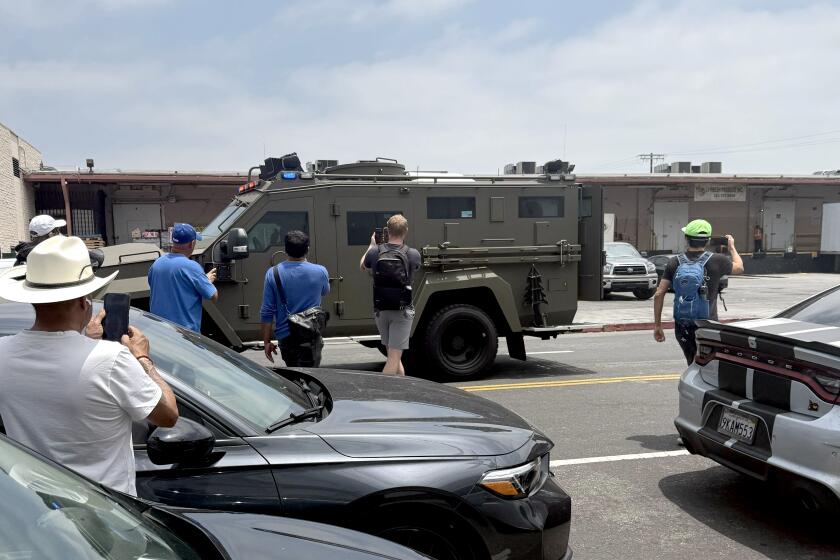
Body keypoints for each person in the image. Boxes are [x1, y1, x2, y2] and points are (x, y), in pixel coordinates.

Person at [0, 235, 178, 496]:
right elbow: (168, 416)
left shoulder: (3, 353)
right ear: (84, 302)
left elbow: (56, 368)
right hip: (105, 515)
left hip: (35, 508)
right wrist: (143, 359)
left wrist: (84, 342)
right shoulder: (112, 359)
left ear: (33, 300)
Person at [653, 219, 744, 364]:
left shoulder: (674, 262)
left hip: (683, 324)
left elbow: (659, 294)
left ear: (686, 239)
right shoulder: (718, 260)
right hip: (708, 323)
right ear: (707, 241)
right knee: (708, 364)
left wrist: (658, 325)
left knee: (691, 362)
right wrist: (731, 247)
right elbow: (739, 268)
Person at [360, 214, 421, 376]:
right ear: (405, 231)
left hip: (381, 310)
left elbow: (362, 265)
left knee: (393, 356)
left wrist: (372, 245)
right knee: (393, 358)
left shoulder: (375, 252)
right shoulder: (412, 254)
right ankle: (383, 396)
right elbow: (415, 269)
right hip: (402, 311)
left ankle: (402, 392)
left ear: (387, 231)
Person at [261, 230, 330, 367]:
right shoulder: (320, 271)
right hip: (311, 334)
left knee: (294, 374)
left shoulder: (272, 273)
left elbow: (267, 311)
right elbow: (325, 291)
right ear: (307, 249)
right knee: (311, 375)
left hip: (286, 335)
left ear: (285, 250)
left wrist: (266, 342)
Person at [148, 223, 217, 332]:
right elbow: (213, 296)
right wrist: (207, 280)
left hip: (160, 332)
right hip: (184, 336)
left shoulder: (157, 264)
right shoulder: (192, 267)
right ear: (192, 243)